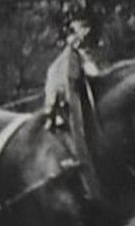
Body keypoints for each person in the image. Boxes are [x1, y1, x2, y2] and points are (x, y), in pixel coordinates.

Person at [42, 17, 104, 202]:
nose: (82, 36)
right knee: (75, 139)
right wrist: (54, 108)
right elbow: (61, 83)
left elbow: (93, 73)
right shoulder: (66, 59)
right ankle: (87, 189)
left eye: (83, 32)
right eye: (79, 32)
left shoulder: (78, 55)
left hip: (73, 97)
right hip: (65, 103)